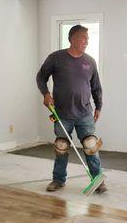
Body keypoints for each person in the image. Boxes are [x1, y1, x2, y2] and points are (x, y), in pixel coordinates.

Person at [36, 24, 106, 193]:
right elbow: (40, 77)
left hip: (84, 113)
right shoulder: (56, 58)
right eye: (83, 38)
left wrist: (98, 106)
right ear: (72, 38)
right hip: (62, 113)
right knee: (61, 146)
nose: (86, 42)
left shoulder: (90, 61)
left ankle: (98, 180)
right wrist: (45, 94)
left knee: (91, 146)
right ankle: (58, 180)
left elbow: (96, 86)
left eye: (88, 39)